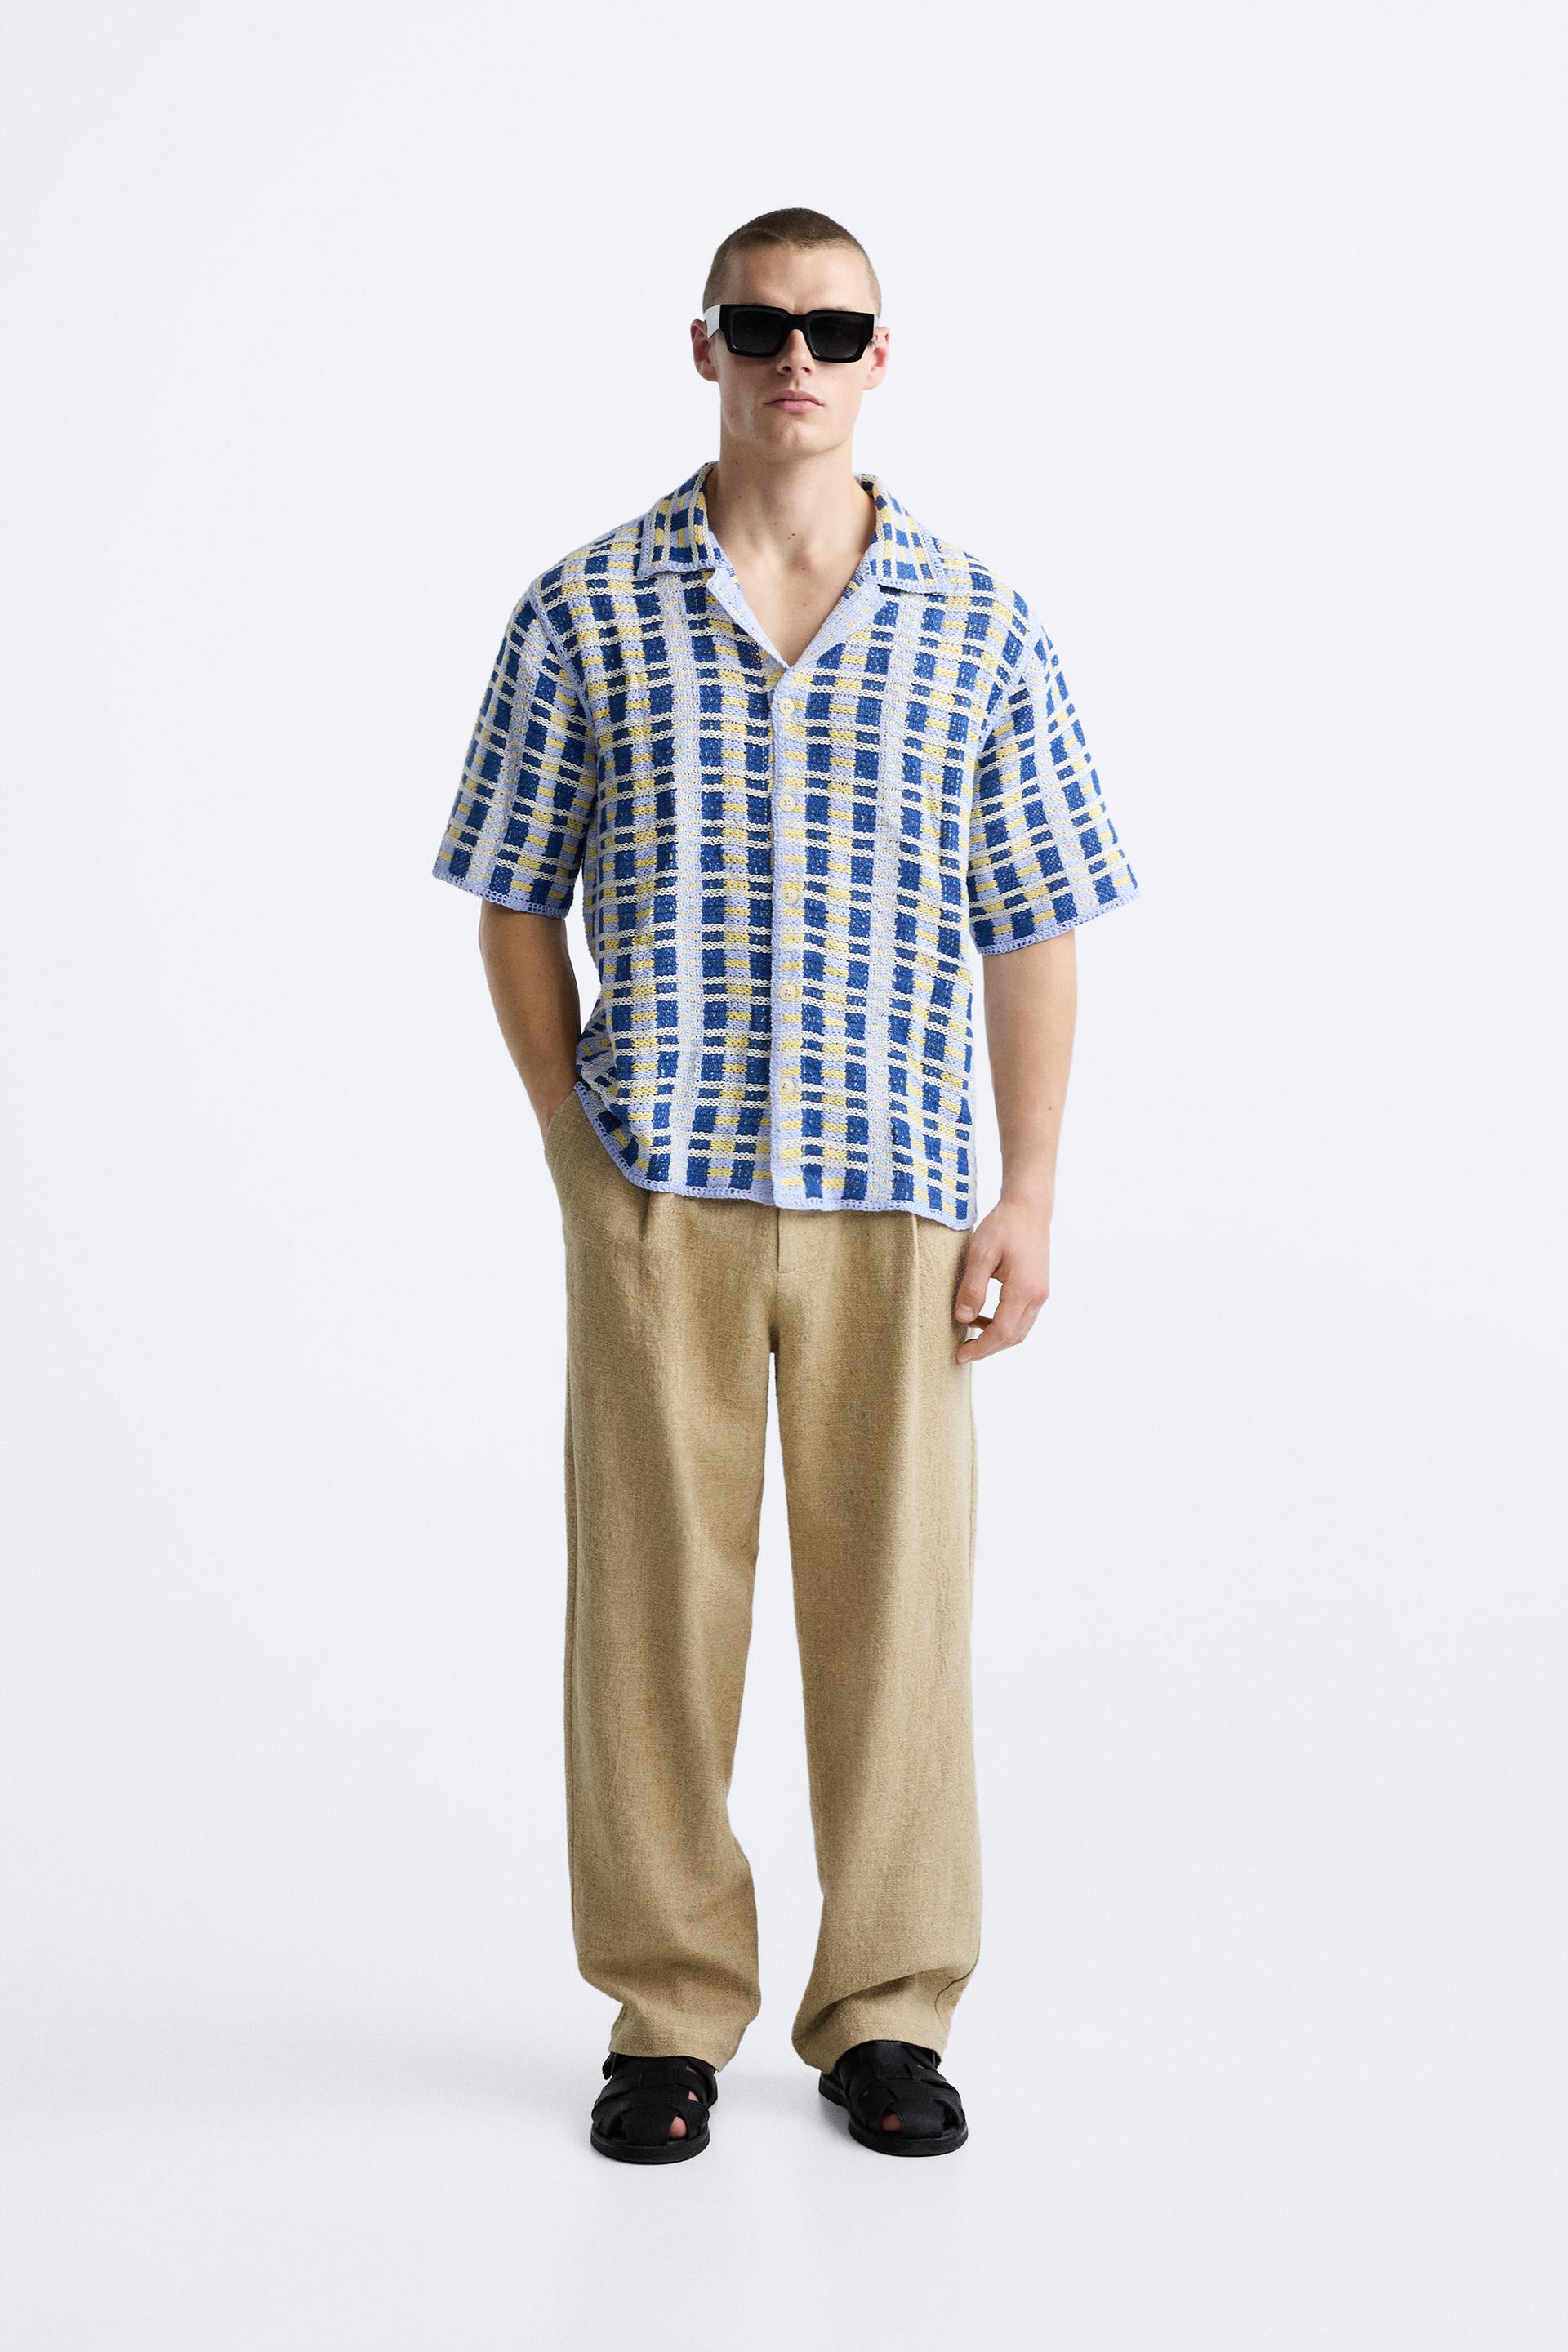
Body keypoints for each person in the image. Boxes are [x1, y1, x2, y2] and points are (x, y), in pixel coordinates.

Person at [430, 206, 1139, 2163]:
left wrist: (1030, 1191)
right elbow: (511, 895)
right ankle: (666, 2015)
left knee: (897, 1618)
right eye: (760, 326)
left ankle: (889, 2014)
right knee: (649, 1614)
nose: (795, 359)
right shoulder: (588, 610)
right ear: (706, 348)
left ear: (880, 355)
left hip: (898, 1193)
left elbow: (1037, 923)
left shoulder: (979, 624)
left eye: (832, 328)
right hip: (656, 1185)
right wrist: (572, 1142)